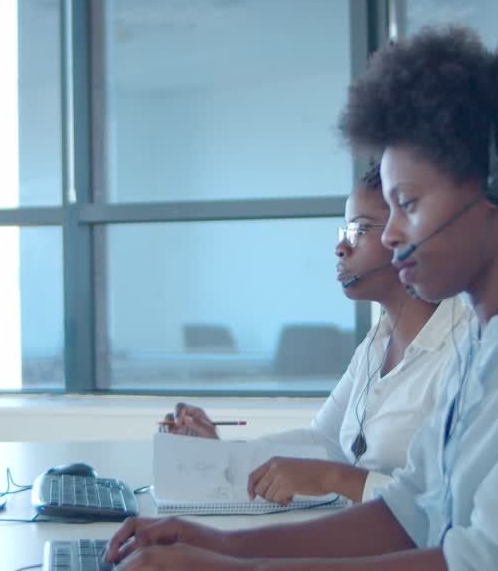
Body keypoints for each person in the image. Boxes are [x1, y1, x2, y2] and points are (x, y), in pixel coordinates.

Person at [106, 24, 498, 571]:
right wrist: (220, 546)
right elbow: (406, 514)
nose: (389, 234)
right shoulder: (485, 337)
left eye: (407, 203)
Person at [159, 166, 469, 505]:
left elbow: (447, 502)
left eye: (359, 230)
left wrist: (334, 478)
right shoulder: (376, 343)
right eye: (344, 230)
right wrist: (221, 452)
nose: (341, 247)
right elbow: (322, 442)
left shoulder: (463, 348)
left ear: (409, 232)